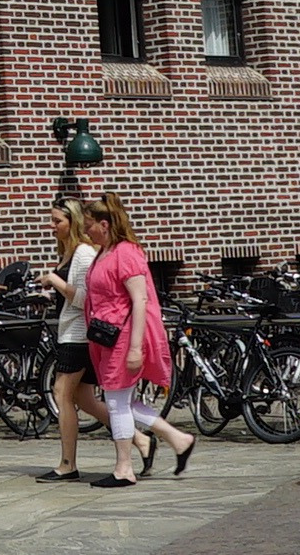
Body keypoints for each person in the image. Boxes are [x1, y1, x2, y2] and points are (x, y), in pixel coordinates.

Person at [77, 193, 192, 486]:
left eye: (89, 225)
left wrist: (136, 347)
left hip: (123, 336)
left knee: (116, 403)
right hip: (106, 336)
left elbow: (140, 300)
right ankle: (178, 439)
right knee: (121, 401)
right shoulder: (106, 251)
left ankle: (124, 468)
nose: (85, 230)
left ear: (104, 224)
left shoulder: (126, 253)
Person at [34, 201, 98, 481]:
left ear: (72, 222)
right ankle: (141, 440)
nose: (52, 226)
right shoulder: (68, 253)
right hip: (70, 331)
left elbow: (85, 298)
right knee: (84, 399)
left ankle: (67, 464)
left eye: (57, 221)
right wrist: (49, 292)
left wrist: (53, 280)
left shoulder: (83, 253)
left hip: (78, 335)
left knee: (61, 393)